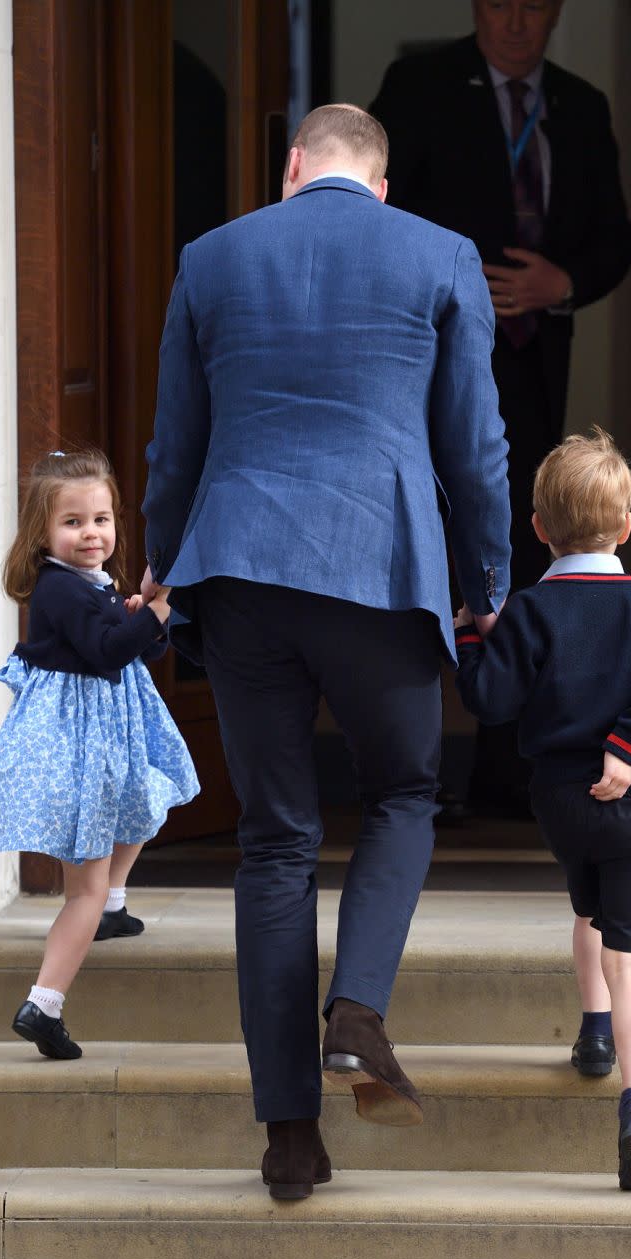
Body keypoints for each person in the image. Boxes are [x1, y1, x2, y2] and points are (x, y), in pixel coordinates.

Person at [141, 104, 511, 1200]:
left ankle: (290, 1138)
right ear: (381, 185)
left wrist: (166, 563)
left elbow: (177, 439)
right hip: (383, 567)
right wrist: (484, 582)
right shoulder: (440, 254)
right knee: (402, 791)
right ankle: (356, 1009)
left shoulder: (212, 256)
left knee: (273, 842)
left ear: (293, 168)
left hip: (244, 572)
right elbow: (475, 442)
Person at [370, 0, 631, 818]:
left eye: (534, 7)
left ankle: (502, 762)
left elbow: (614, 238)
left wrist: (563, 284)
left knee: (515, 543)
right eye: (501, 5)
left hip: (532, 365)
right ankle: (406, 766)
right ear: (478, 10)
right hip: (427, 357)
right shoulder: (418, 86)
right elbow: (378, 219)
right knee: (421, 542)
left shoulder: (582, 105)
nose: (517, 23)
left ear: (555, 15)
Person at [454, 430, 631, 1189]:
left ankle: (592, 1034)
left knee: (587, 908)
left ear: (538, 529)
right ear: (626, 527)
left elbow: (490, 698)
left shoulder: (529, 612)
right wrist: (627, 747)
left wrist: (471, 632)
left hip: (562, 803)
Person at [0, 450, 200, 1059]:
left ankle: (115, 905)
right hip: (85, 751)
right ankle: (43, 1003)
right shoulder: (59, 591)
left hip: (108, 743)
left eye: (101, 519)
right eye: (73, 523)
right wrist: (154, 610)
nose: (91, 533)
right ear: (42, 534)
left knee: (148, 792)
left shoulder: (84, 586)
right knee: (84, 891)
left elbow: (125, 647)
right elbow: (106, 653)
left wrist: (136, 610)